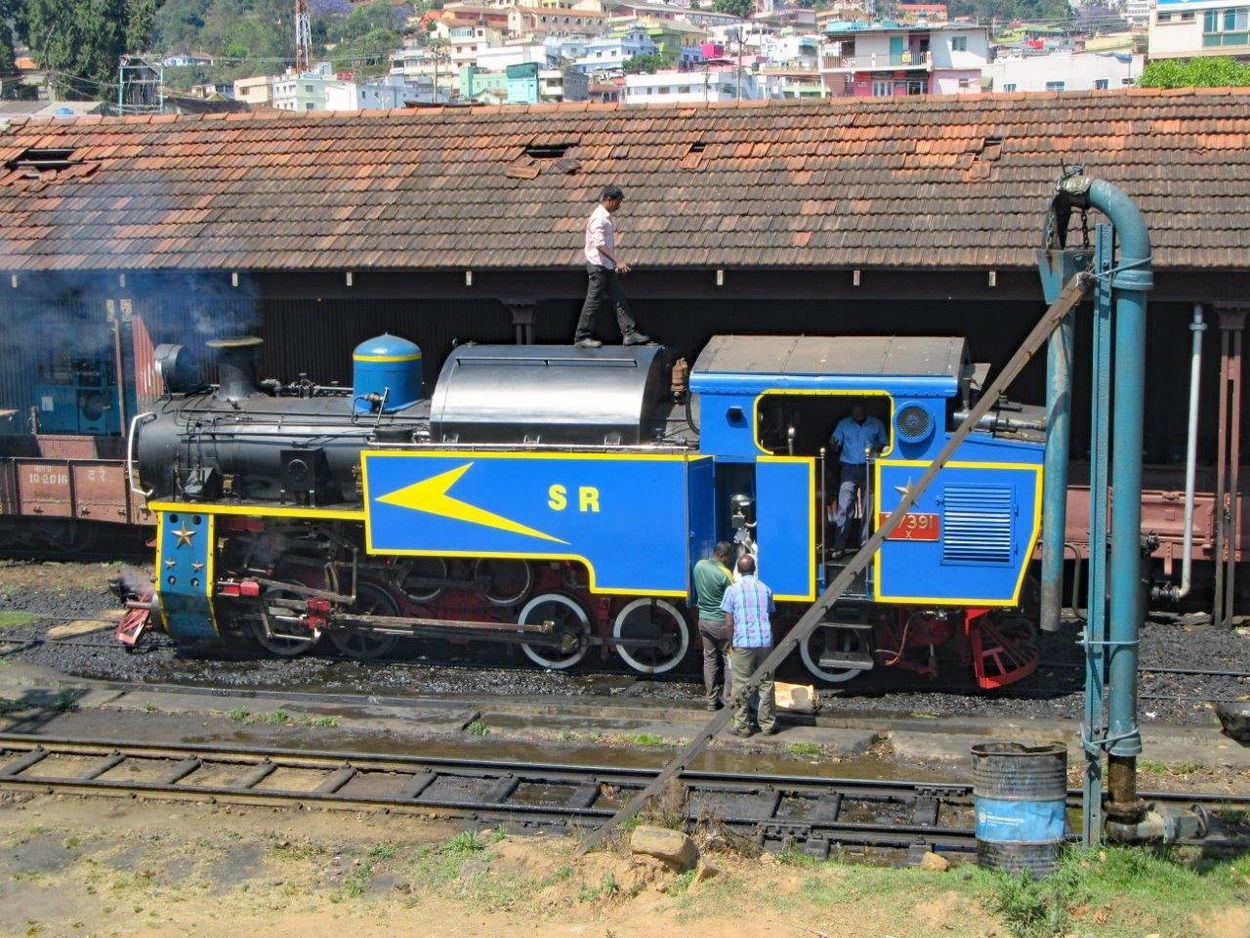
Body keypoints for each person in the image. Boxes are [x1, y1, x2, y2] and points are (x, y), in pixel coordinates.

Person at [575, 184, 650, 350]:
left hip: (606, 266)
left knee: (619, 297)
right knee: (593, 301)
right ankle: (582, 336)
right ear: (609, 199)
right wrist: (618, 261)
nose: (619, 206)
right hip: (598, 266)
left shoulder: (605, 217)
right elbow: (600, 245)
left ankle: (629, 333)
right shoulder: (598, 218)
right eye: (617, 202)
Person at [721, 554, 777, 737]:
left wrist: (731, 643)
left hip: (743, 643)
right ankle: (767, 725)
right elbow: (770, 612)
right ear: (754, 570)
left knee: (741, 685)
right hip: (764, 643)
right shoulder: (765, 589)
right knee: (766, 684)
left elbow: (729, 623)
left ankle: (743, 727)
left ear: (738, 570)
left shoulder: (732, 590)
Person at [829, 404, 888, 557]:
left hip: (870, 467)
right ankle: (839, 546)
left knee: (868, 506)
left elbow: (885, 445)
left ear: (864, 410)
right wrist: (833, 444)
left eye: (859, 411)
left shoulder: (876, 424)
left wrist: (877, 449)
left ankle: (865, 544)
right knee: (844, 506)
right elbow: (835, 445)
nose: (857, 413)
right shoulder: (843, 424)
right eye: (854, 411)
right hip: (848, 468)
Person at [693, 541, 735, 711]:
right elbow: (733, 598)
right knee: (728, 659)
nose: (729, 561)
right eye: (729, 558)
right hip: (721, 623)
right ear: (722, 556)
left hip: (704, 620)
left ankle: (711, 700)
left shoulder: (699, 566)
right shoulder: (725, 575)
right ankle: (727, 698)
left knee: (709, 659)